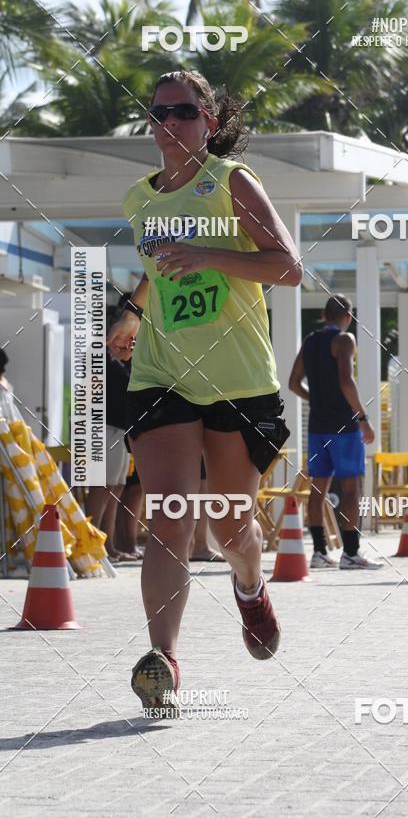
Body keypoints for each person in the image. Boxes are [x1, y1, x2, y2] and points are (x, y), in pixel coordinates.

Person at [107, 69, 300, 712]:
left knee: (227, 524)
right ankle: (163, 659)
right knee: (167, 515)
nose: (169, 123)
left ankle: (250, 584)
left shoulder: (231, 183)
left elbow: (288, 267)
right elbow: (157, 275)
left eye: (184, 112)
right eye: (158, 113)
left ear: (209, 122)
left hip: (238, 380)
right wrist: (133, 314)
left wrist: (208, 256)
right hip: (163, 374)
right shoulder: (139, 199)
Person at [288, 295, 382, 569]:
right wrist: (362, 417)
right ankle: (351, 553)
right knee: (352, 489)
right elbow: (345, 379)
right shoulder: (344, 340)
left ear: (323, 314)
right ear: (348, 317)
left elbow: (293, 383)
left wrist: (317, 400)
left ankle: (319, 552)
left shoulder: (310, 341)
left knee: (318, 490)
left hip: (317, 426)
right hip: (343, 425)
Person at [86, 350, 137, 562]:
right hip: (103, 427)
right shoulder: (100, 356)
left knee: (116, 487)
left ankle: (107, 545)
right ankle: (90, 543)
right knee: (102, 486)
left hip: (120, 428)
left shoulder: (123, 359)